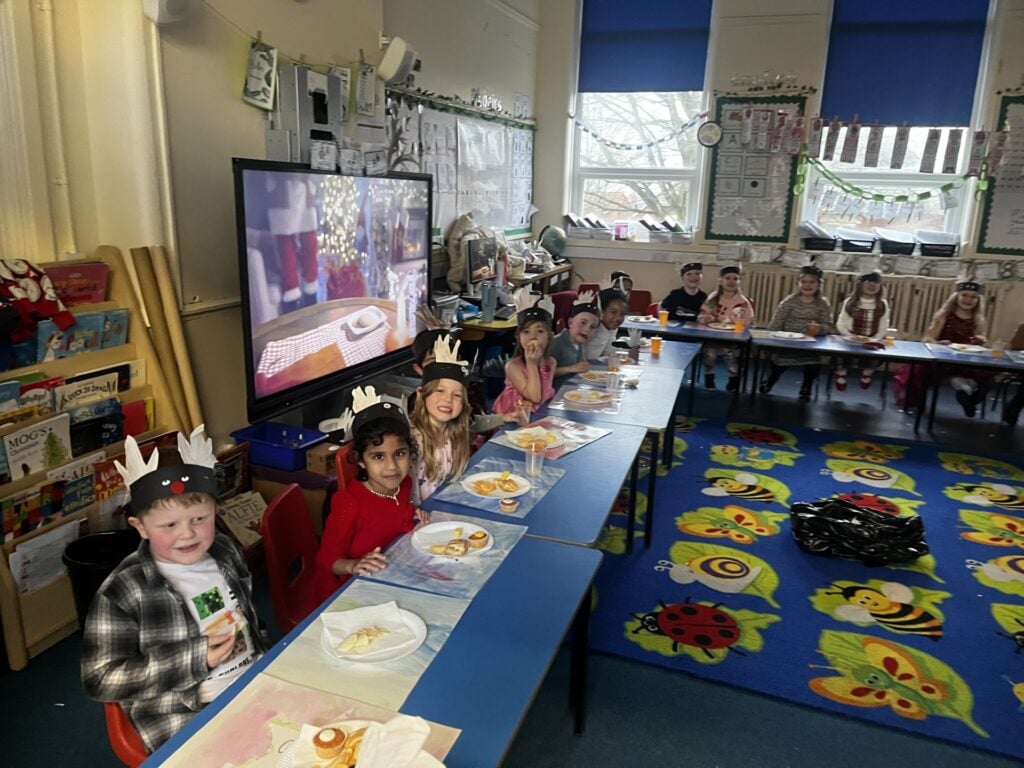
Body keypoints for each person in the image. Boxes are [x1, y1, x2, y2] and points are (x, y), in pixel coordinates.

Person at [81, 426, 268, 754]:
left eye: (199, 519)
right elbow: (100, 679)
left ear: (216, 512)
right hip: (184, 713)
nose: (188, 535)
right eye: (169, 525)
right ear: (140, 527)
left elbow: (249, 616)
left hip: (254, 682)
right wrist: (195, 657)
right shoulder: (123, 591)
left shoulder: (225, 550)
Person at [313, 386, 424, 603]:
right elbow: (325, 559)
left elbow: (394, 515)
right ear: (361, 461)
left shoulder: (404, 483)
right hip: (347, 591)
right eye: (378, 457)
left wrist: (414, 513)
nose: (392, 466)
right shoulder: (350, 504)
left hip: (389, 574)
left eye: (399, 454)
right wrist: (353, 565)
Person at [895, 281, 991, 416]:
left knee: (988, 374)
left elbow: (980, 340)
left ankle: (970, 399)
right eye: (964, 295)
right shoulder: (944, 316)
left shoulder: (978, 319)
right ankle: (923, 402)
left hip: (965, 359)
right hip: (943, 358)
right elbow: (927, 339)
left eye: (973, 297)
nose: (968, 300)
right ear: (956, 297)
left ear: (978, 300)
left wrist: (980, 341)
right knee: (922, 371)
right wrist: (938, 343)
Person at [410, 335, 472, 504]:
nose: (448, 400)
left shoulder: (455, 434)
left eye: (457, 395)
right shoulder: (413, 441)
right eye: (439, 391)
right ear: (421, 394)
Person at [760, 265, 835, 401]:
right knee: (779, 364)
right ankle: (770, 381)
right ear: (798, 284)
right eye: (804, 282)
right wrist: (768, 340)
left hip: (810, 343)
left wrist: (820, 329)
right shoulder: (789, 301)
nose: (807, 285)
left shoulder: (822, 304)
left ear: (819, 285)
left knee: (813, 365)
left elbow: (827, 325)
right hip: (788, 342)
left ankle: (806, 388)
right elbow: (777, 321)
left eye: (812, 282)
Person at [492, 298, 557, 419]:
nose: (533, 336)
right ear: (518, 337)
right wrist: (531, 363)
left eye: (540, 331)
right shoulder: (513, 366)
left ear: (549, 336)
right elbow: (534, 397)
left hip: (540, 413)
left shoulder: (551, 363)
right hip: (515, 416)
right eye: (526, 331)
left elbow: (544, 392)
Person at [698, 266, 754, 390]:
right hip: (713, 335)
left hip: (732, 336)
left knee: (728, 354)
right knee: (710, 354)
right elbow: (704, 313)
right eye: (727, 278)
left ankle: (733, 378)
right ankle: (709, 377)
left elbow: (749, 321)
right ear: (721, 280)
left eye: (735, 279)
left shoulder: (742, 302)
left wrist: (737, 321)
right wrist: (706, 318)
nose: (731, 281)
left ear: (739, 282)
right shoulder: (715, 297)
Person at [833, 272, 891, 391]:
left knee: (877, 356)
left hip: (871, 339)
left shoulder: (882, 304)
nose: (872, 285)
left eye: (876, 283)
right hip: (850, 339)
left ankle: (867, 372)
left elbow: (884, 325)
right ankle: (841, 373)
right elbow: (841, 323)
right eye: (868, 282)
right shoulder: (850, 301)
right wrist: (849, 336)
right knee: (839, 354)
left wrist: (874, 339)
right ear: (860, 285)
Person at [550, 291, 600, 384]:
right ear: (570, 323)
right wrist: (571, 368)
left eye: (592, 327)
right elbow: (543, 373)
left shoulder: (579, 343)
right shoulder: (556, 343)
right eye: (583, 322)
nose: (587, 329)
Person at [583, 288, 638, 361]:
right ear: (602, 311)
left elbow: (606, 349)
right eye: (613, 312)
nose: (618, 317)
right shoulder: (592, 329)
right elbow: (589, 356)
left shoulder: (609, 327)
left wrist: (628, 352)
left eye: (622, 314)